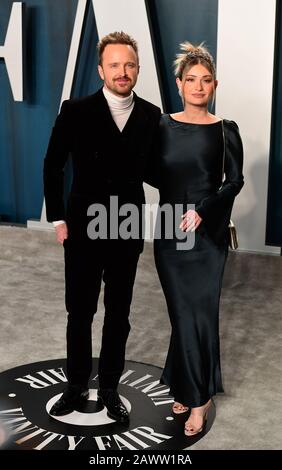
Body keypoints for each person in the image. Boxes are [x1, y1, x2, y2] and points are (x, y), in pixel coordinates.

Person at [44, 31, 161, 421]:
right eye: (114, 65)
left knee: (119, 312)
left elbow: (158, 172)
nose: (122, 72)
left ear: (138, 69)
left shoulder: (151, 114)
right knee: (79, 310)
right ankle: (76, 385)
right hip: (83, 226)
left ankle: (109, 387)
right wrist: (58, 217)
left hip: (126, 224)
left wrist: (202, 184)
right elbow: (53, 165)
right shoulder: (75, 110)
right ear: (101, 69)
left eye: (129, 65)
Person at [154, 42, 244, 436]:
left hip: (206, 237)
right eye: (191, 79)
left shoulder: (226, 131)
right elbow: (151, 172)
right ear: (179, 83)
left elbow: (235, 181)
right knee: (181, 313)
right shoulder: (161, 126)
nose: (198, 86)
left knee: (199, 315)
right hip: (170, 234)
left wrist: (203, 208)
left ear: (215, 85)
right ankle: (186, 380)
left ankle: (199, 397)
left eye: (206, 80)